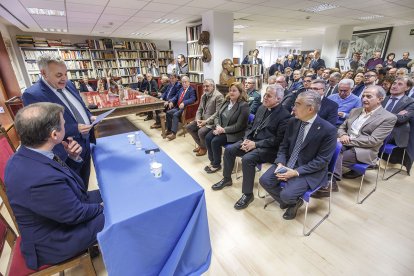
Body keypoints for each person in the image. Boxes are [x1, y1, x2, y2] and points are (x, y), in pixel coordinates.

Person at [5, 102, 104, 270]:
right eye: (64, 123)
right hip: (54, 241)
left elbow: (62, 184)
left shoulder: (29, 153)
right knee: (118, 211)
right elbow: (76, 214)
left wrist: (72, 158)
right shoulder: (38, 177)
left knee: (112, 194)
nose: (66, 125)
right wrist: (102, 207)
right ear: (54, 134)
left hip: (58, 216)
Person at [259, 90, 337, 220]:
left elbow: (322, 161)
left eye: (297, 104)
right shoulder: (292, 122)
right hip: (289, 163)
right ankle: (294, 202)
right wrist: (280, 162)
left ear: (310, 109)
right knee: (265, 180)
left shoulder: (328, 130)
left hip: (309, 170)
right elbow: (283, 146)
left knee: (286, 194)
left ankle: (290, 200)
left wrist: (295, 172)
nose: (293, 108)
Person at [22, 54, 96, 188]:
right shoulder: (32, 95)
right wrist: (75, 128)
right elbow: (41, 128)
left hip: (85, 141)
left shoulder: (69, 84)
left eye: (66, 74)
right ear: (44, 73)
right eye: (59, 75)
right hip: (66, 149)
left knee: (84, 180)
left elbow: (81, 106)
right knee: (72, 185)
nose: (64, 79)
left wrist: (89, 116)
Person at [212, 85, 291, 209]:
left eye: (269, 96)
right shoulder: (261, 107)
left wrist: (255, 144)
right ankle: (227, 178)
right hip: (252, 142)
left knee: (248, 159)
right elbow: (250, 127)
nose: (264, 97)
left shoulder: (285, 116)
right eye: (265, 94)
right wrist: (245, 139)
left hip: (269, 149)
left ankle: (247, 194)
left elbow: (277, 140)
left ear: (279, 99)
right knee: (230, 149)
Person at [334, 86, 397, 180]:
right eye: (363, 96)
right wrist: (343, 135)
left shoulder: (388, 117)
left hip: (364, 149)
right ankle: (331, 181)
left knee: (331, 157)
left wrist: (347, 140)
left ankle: (331, 182)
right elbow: (342, 127)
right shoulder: (355, 111)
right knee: (326, 152)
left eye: (369, 96)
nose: (364, 99)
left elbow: (373, 141)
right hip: (345, 142)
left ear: (380, 99)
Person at [204, 82, 249, 173]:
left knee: (215, 141)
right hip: (220, 128)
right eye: (230, 90)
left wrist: (223, 130)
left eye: (234, 91)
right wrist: (218, 126)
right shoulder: (226, 101)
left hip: (234, 133)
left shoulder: (243, 105)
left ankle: (217, 165)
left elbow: (239, 126)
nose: (231, 93)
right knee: (208, 137)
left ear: (240, 92)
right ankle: (212, 161)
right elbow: (217, 116)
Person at [186, 79, 224, 156]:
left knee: (201, 132)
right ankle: (202, 145)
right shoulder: (204, 95)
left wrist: (205, 122)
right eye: (204, 86)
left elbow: (218, 113)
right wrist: (198, 120)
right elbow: (199, 109)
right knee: (189, 127)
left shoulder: (218, 96)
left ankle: (203, 148)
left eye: (207, 86)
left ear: (213, 87)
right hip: (202, 120)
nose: (205, 88)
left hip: (212, 122)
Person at [382, 77, 414, 150]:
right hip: (376, 128)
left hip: (393, 133)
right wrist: (395, 114)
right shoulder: (383, 98)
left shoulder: (411, 102)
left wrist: (379, 113)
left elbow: (401, 119)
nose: (394, 86)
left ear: (407, 88)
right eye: (394, 83)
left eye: (400, 84)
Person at [165, 76, 196, 140]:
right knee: (168, 113)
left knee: (175, 114)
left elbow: (193, 99)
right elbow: (176, 97)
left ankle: (173, 134)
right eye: (183, 82)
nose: (184, 83)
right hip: (178, 107)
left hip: (185, 109)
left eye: (185, 82)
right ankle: (169, 130)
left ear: (189, 82)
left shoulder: (191, 90)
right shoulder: (181, 89)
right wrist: (170, 101)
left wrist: (184, 103)